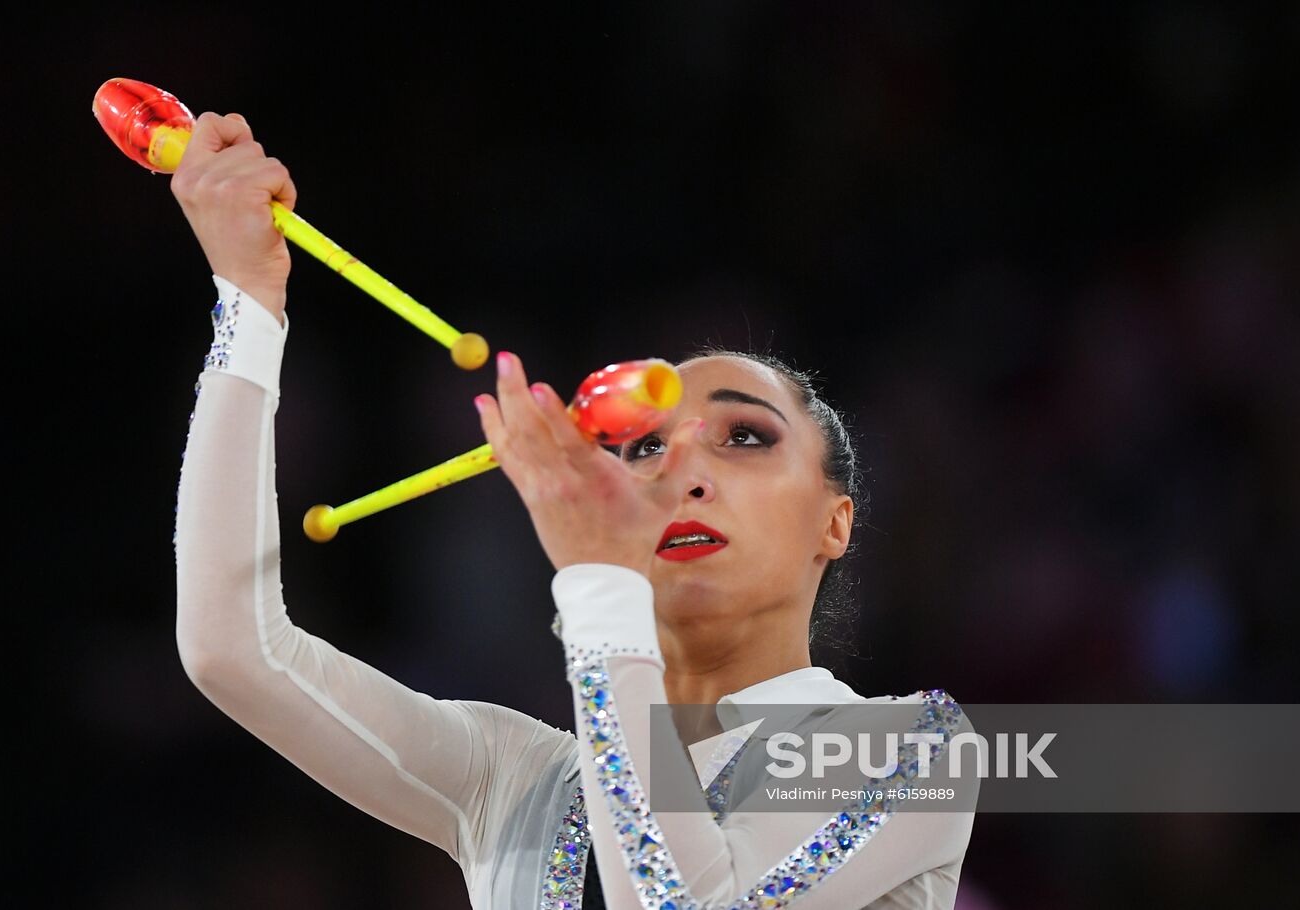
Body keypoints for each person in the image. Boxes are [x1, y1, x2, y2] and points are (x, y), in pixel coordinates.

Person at [172, 111, 976, 909]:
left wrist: (602, 586)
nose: (685, 469)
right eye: (647, 448)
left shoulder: (913, 749)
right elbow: (231, 646)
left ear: (835, 523)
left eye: (744, 436)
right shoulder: (514, 778)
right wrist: (247, 300)